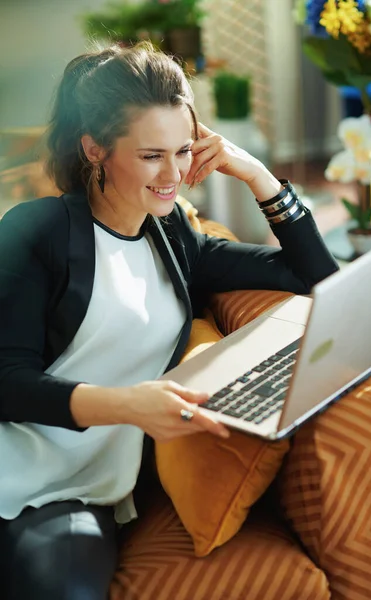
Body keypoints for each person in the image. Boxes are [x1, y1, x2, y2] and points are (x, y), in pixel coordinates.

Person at [0, 43, 338, 599]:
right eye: (152, 154)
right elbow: (7, 383)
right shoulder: (37, 230)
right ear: (95, 149)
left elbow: (315, 279)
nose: (175, 174)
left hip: (88, 491)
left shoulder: (175, 236)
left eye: (183, 151)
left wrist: (257, 176)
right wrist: (132, 405)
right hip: (20, 466)